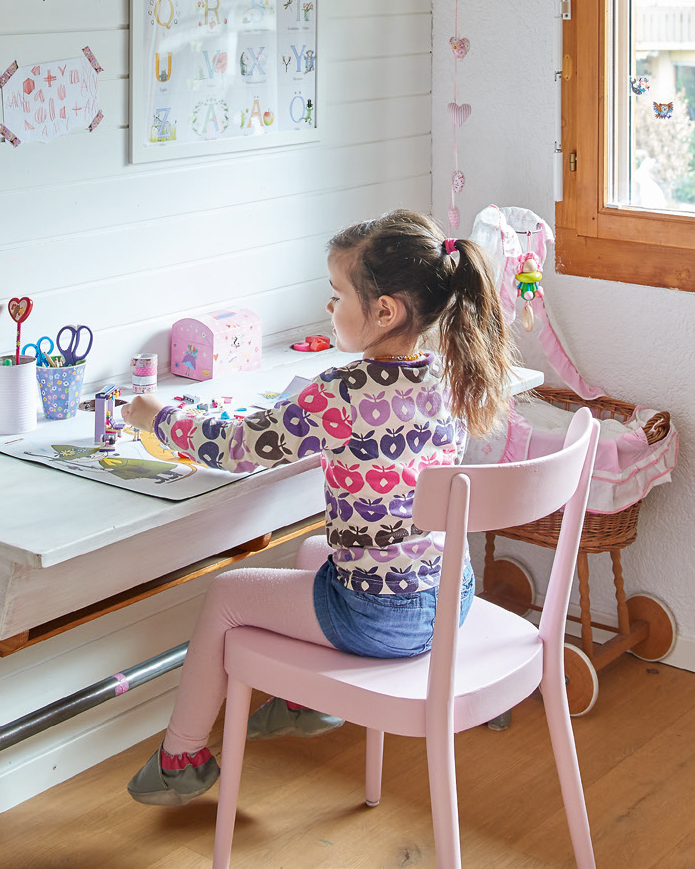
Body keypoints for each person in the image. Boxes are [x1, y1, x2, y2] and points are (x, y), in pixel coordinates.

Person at [121, 208, 515, 807]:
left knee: (225, 595)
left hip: (379, 617)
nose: (329, 307)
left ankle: (182, 758)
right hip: (445, 597)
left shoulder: (341, 391)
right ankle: (305, 704)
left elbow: (237, 447)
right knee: (313, 552)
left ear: (385, 311)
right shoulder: (452, 376)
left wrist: (157, 416)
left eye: (338, 294)